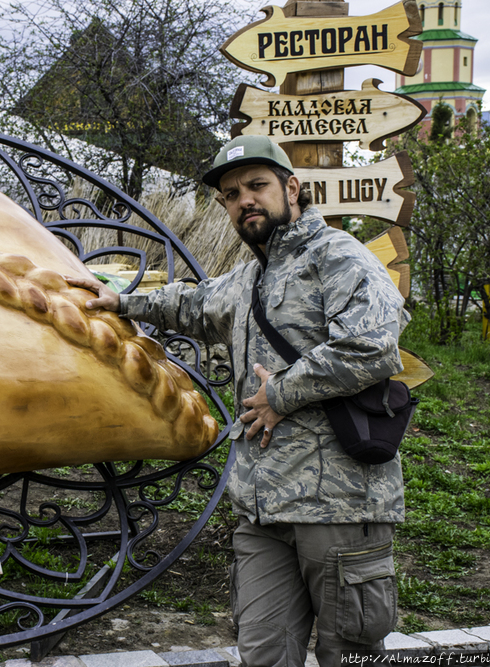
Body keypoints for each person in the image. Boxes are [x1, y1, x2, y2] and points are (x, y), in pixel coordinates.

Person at [66, 135, 408, 666]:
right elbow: (194, 306)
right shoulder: (250, 275)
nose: (244, 199)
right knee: (264, 653)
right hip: (261, 505)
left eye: (257, 185)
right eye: (231, 193)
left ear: (291, 189)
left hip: (338, 503)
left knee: (353, 652)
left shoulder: (338, 257)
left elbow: (373, 346)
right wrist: (120, 301)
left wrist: (280, 394)